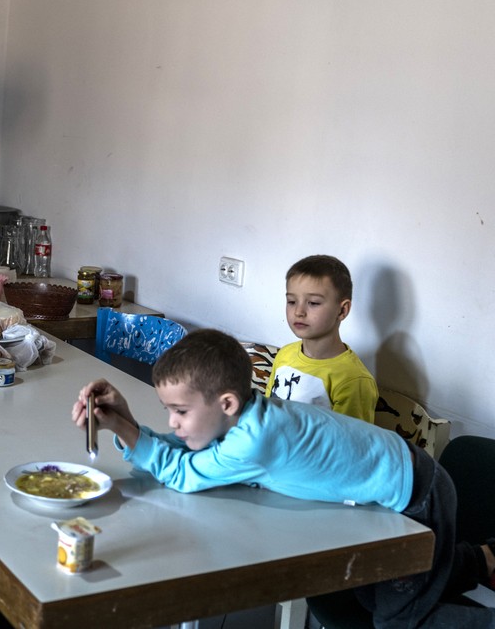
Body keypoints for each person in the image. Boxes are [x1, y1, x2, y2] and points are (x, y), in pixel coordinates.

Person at [72, 329, 495, 629]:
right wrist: (125, 420)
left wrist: (126, 430)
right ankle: (483, 561)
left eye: (179, 412)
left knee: (396, 618)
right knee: (380, 590)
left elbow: (183, 474)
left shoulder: (256, 440)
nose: (172, 422)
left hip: (417, 496)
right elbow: (189, 447)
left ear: (227, 402)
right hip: (411, 475)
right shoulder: (245, 414)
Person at [265, 254, 378, 422]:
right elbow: (267, 413)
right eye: (292, 301)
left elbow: (349, 443)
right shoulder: (285, 354)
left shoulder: (353, 381)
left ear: (342, 311)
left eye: (313, 303)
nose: (299, 312)